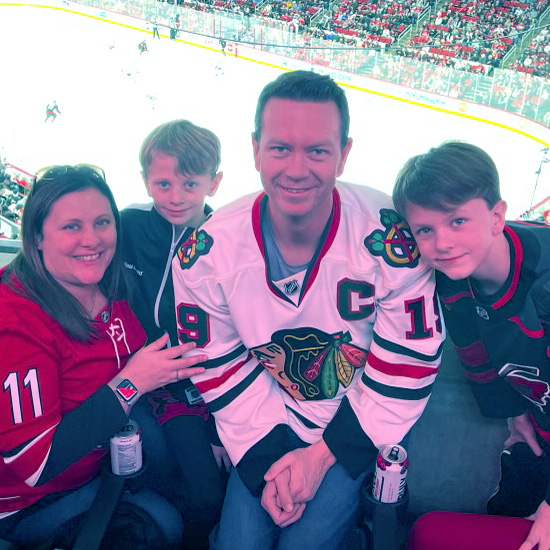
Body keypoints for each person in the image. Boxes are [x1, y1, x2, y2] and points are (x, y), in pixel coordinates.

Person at [171, 70, 443, 549]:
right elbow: (216, 363)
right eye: (280, 148)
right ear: (255, 149)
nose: (297, 169)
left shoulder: (389, 240)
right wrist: (270, 460)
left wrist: (322, 456)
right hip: (265, 426)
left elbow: (407, 360)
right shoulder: (206, 252)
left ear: (344, 153)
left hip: (358, 423)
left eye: (317, 150)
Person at [0, 164, 206, 549]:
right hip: (31, 503)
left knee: (198, 489)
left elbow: (160, 360)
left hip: (102, 466)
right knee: (165, 524)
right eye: (71, 226)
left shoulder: (110, 288)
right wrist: (131, 383)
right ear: (37, 236)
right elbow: (36, 465)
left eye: (102, 223)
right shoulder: (15, 320)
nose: (91, 239)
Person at [392, 141, 550, 550]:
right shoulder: (450, 279)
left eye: (458, 221)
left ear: (497, 216)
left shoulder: (544, 285)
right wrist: (513, 413)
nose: (441, 242)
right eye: (425, 229)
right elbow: (474, 355)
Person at [121, 120, 227, 550]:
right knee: (153, 474)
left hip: (201, 387)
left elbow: (240, 336)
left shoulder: (227, 240)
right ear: (145, 180)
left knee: (208, 493)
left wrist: (221, 426)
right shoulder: (127, 225)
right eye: (163, 183)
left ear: (213, 183)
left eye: (190, 183)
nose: (176, 197)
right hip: (138, 377)